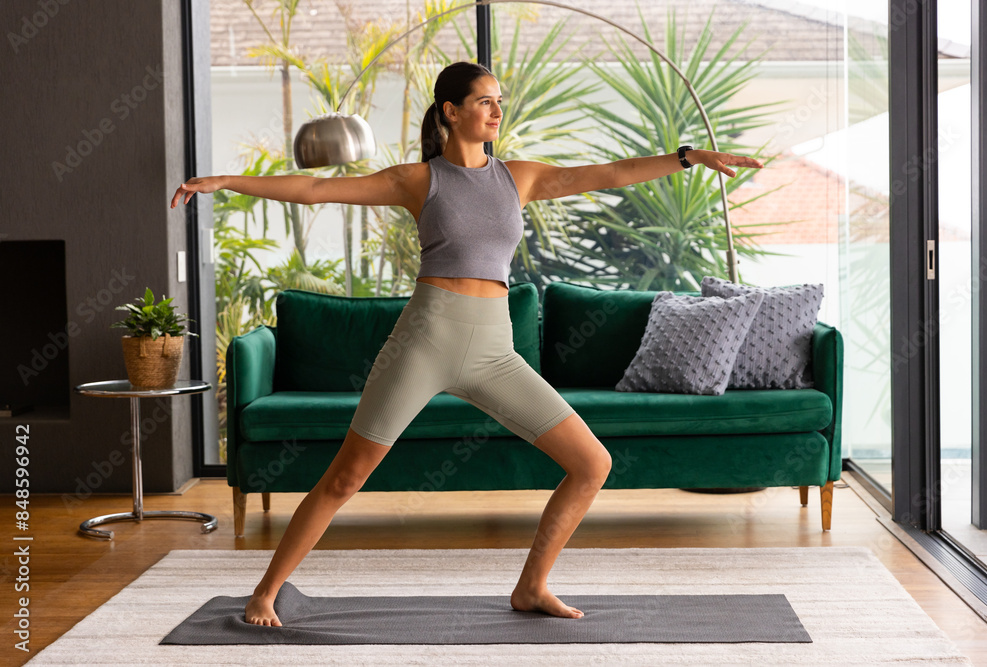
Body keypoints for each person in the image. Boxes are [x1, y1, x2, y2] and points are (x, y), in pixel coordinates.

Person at [171, 61, 763, 627]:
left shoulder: (518, 177)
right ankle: (266, 591)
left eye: (500, 101)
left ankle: (532, 587)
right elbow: (318, 190)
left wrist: (686, 157)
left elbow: (603, 174)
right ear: (451, 112)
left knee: (592, 463)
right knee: (346, 477)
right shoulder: (417, 179)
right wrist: (227, 181)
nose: (497, 110)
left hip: (496, 350)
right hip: (425, 339)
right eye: (486, 101)